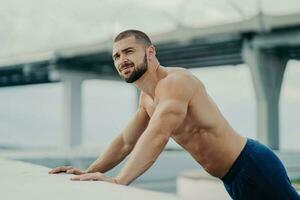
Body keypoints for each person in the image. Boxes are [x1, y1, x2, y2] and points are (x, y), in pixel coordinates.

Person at [49, 30, 300, 199]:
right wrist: (88, 171)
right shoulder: (147, 99)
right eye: (116, 55)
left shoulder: (175, 83)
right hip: (232, 178)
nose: (121, 60)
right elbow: (126, 141)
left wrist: (119, 180)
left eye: (128, 52)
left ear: (150, 52)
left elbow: (158, 135)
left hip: (252, 165)